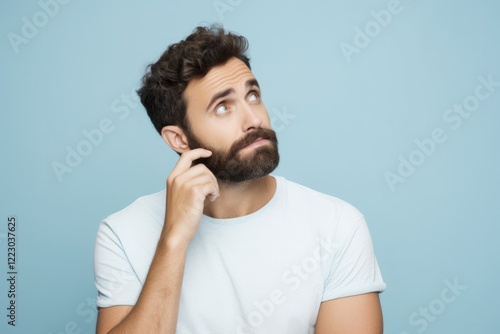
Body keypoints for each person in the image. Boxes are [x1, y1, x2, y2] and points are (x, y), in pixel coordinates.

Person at [93, 25, 386, 334]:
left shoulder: (337, 226)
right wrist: (174, 241)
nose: (254, 119)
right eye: (223, 107)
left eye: (253, 95)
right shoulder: (123, 234)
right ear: (179, 139)